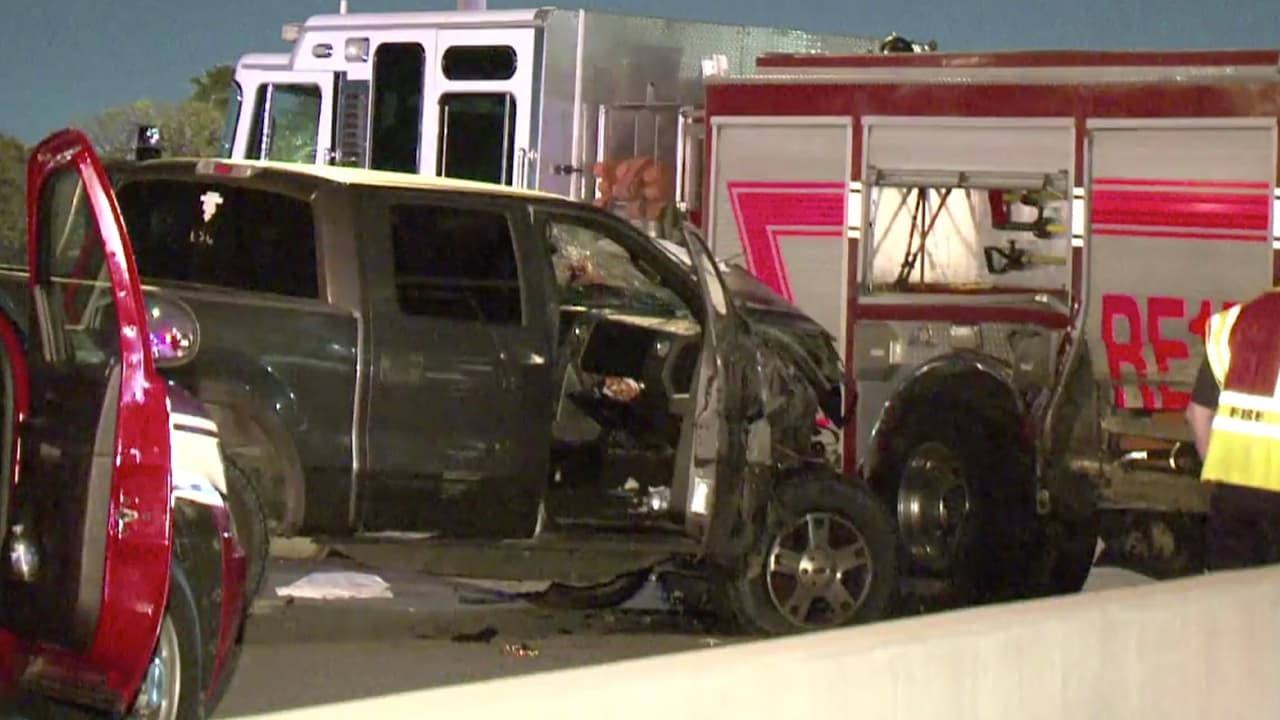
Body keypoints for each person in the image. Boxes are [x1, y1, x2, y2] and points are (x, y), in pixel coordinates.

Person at [1185, 294, 1280, 570]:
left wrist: (1218, 469)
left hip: (1233, 497)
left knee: (1231, 591)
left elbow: (1197, 414)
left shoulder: (1231, 323)